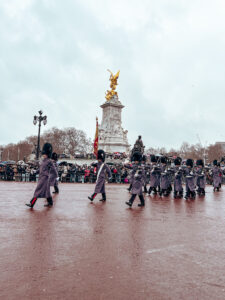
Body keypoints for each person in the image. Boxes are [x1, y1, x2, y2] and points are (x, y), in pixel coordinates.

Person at [25, 143, 57, 208]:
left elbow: (54, 169)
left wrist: (56, 176)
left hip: (45, 178)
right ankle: (50, 203)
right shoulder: (43, 161)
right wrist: (35, 171)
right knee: (47, 192)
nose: (44, 155)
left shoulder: (49, 161)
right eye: (43, 154)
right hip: (41, 178)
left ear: (47, 154)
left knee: (37, 191)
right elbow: (40, 169)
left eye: (45, 154)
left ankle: (32, 204)